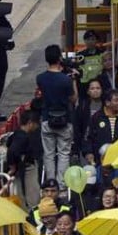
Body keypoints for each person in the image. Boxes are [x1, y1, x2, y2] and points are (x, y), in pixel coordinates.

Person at [37, 44, 75, 182]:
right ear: (59, 58)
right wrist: (73, 80)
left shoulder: (40, 78)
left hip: (47, 118)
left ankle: (50, 183)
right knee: (64, 153)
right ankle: (61, 185)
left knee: (49, 154)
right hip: (65, 120)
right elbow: (73, 98)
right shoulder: (66, 79)